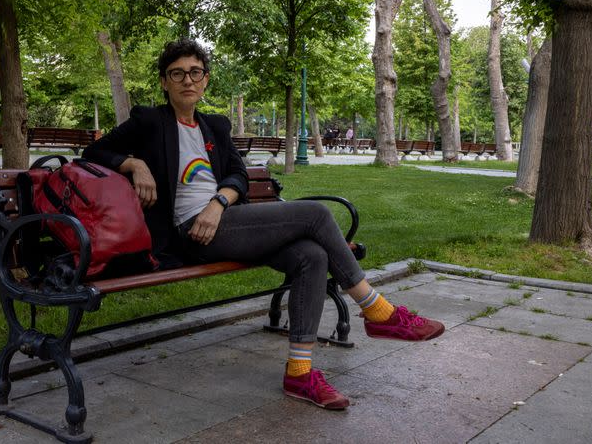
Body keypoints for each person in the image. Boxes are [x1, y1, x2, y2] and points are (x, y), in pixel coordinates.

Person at [83, 38, 443, 411]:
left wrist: (218, 203)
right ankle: (377, 310)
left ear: (206, 80)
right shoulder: (150, 121)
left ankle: (300, 373)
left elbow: (238, 176)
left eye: (195, 72)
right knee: (316, 213)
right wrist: (134, 164)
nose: (187, 80)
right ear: (164, 82)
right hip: (188, 234)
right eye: (177, 74)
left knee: (310, 255)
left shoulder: (215, 127)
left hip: (220, 221)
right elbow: (93, 153)